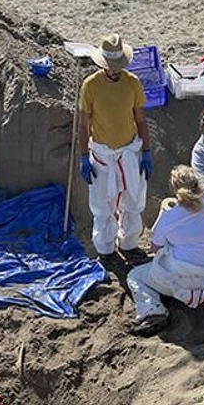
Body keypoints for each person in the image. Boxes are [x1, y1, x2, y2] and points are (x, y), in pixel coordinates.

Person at [126, 166, 204, 337]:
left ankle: (153, 312)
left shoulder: (169, 217)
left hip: (185, 280)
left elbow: (155, 248)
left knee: (135, 276)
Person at [76, 33, 152, 262]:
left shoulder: (132, 83)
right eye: (111, 67)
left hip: (129, 151)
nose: (115, 70)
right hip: (102, 154)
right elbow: (83, 124)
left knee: (133, 202)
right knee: (102, 206)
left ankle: (128, 244)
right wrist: (83, 157)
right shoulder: (90, 86)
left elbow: (140, 120)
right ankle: (106, 251)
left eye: (118, 66)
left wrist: (146, 152)